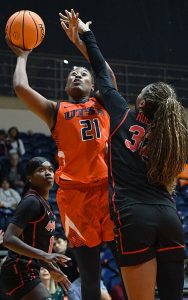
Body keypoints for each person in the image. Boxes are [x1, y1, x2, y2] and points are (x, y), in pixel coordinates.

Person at [60, 10, 188, 300]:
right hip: (169, 217)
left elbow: (104, 75)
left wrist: (86, 35)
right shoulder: (169, 137)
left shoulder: (121, 115)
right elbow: (105, 75)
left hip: (134, 219)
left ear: (141, 103)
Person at [6, 31, 118, 300]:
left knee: (126, 264)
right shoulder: (56, 110)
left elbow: (107, 74)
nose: (77, 75)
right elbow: (21, 88)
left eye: (83, 74)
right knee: (90, 275)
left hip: (108, 192)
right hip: (74, 199)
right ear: (66, 87)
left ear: (93, 85)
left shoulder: (102, 102)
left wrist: (83, 44)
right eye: (72, 75)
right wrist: (23, 55)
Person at [0, 157, 71, 300]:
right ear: (30, 178)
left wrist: (51, 268)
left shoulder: (45, 203)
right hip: (18, 269)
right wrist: (45, 256)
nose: (48, 173)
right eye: (41, 170)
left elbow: (36, 245)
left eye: (51, 169)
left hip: (29, 269)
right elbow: (8, 239)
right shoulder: (31, 201)